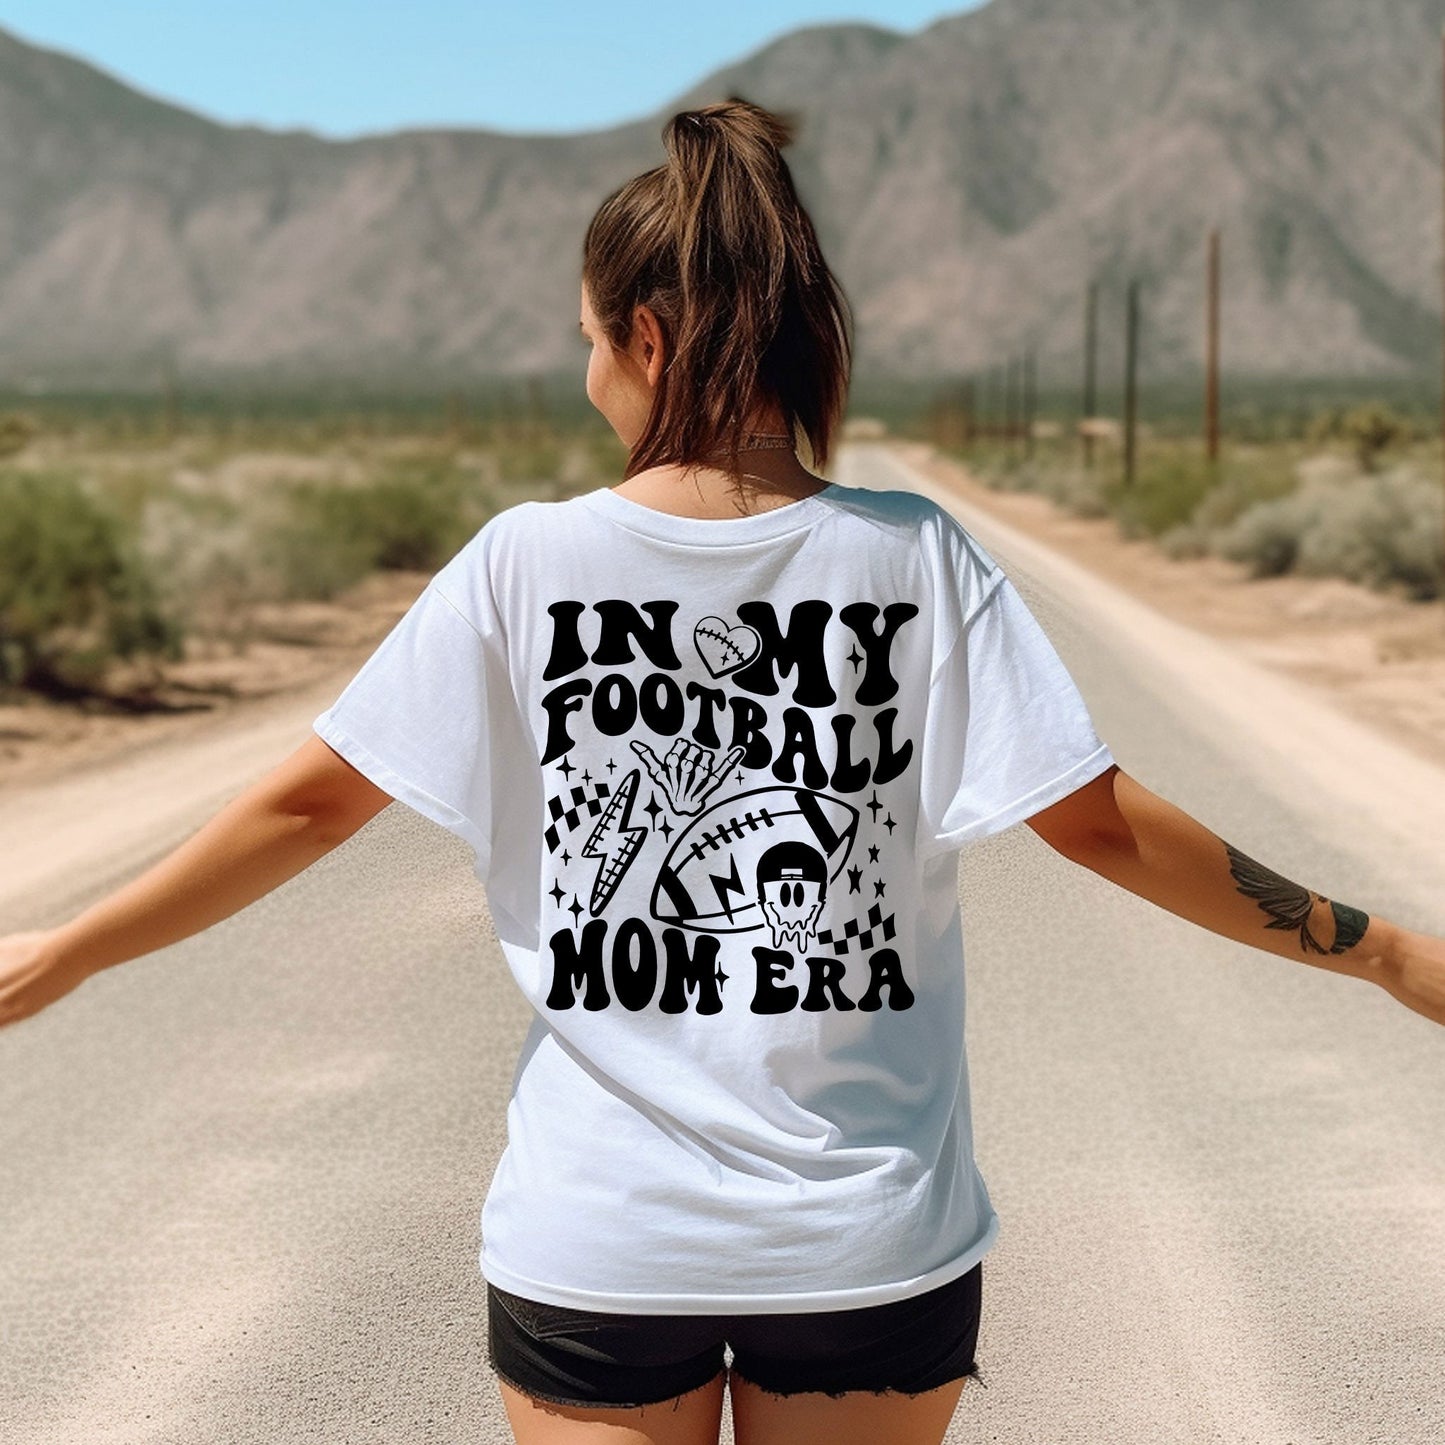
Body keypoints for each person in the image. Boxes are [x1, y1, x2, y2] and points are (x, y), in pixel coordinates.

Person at [1, 96, 1442, 1445]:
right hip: (864, 1245)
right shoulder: (913, 558)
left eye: (582, 339)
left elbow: (306, 805)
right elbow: (1107, 832)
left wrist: (68, 953)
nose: (582, 377)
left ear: (642, 335)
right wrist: (1378, 953)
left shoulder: (523, 564)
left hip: (603, 1241)